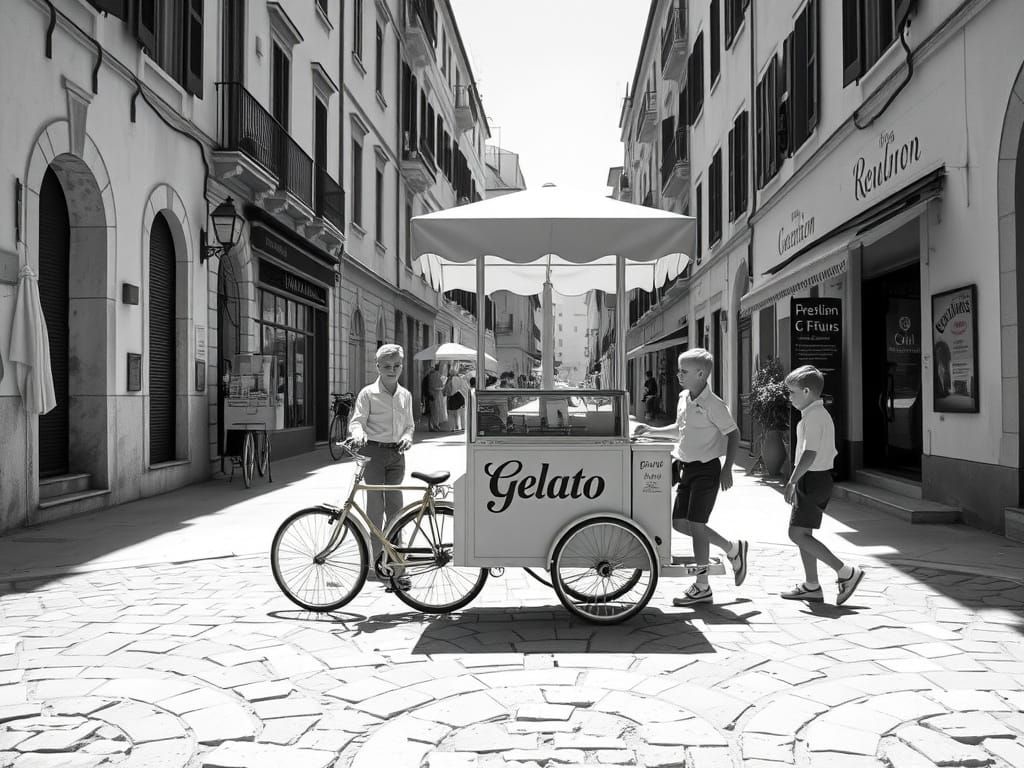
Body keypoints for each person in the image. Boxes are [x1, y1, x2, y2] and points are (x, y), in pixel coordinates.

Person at [633, 348, 749, 606]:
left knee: (697, 525)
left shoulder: (714, 404)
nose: (678, 375)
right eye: (678, 369)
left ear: (701, 374)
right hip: (686, 468)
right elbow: (679, 431)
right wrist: (651, 430)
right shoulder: (684, 397)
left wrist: (728, 468)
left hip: (707, 470)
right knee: (680, 523)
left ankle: (705, 582)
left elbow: (734, 434)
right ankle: (731, 551)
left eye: (683, 371)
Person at [781, 365, 865, 606]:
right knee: (803, 534)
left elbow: (809, 454)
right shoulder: (813, 415)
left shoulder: (815, 417)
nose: (790, 397)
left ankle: (846, 572)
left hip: (812, 478)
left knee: (796, 533)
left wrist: (792, 480)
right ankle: (811, 585)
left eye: (792, 392)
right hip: (814, 478)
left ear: (807, 391)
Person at [348, 344, 415, 586]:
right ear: (378, 367)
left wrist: (407, 437)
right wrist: (358, 434)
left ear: (401, 366)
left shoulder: (405, 394)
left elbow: (409, 425)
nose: (392, 370)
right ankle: (377, 564)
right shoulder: (368, 394)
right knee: (375, 510)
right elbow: (357, 421)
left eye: (396, 366)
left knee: (396, 511)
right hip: (373, 452)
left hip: (397, 455)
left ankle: (397, 565)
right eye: (387, 366)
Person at [444, 366, 469, 431]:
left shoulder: (449, 380)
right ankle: (462, 426)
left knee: (451, 413)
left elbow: (448, 389)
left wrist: (449, 394)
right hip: (460, 396)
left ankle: (452, 427)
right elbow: (465, 388)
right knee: (461, 413)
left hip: (451, 398)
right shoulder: (460, 379)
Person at [427, 364, 447, 431]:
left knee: (432, 411)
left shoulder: (430, 376)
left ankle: (432, 425)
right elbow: (440, 385)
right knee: (435, 411)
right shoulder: (436, 375)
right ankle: (435, 425)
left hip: (431, 395)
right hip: (435, 396)